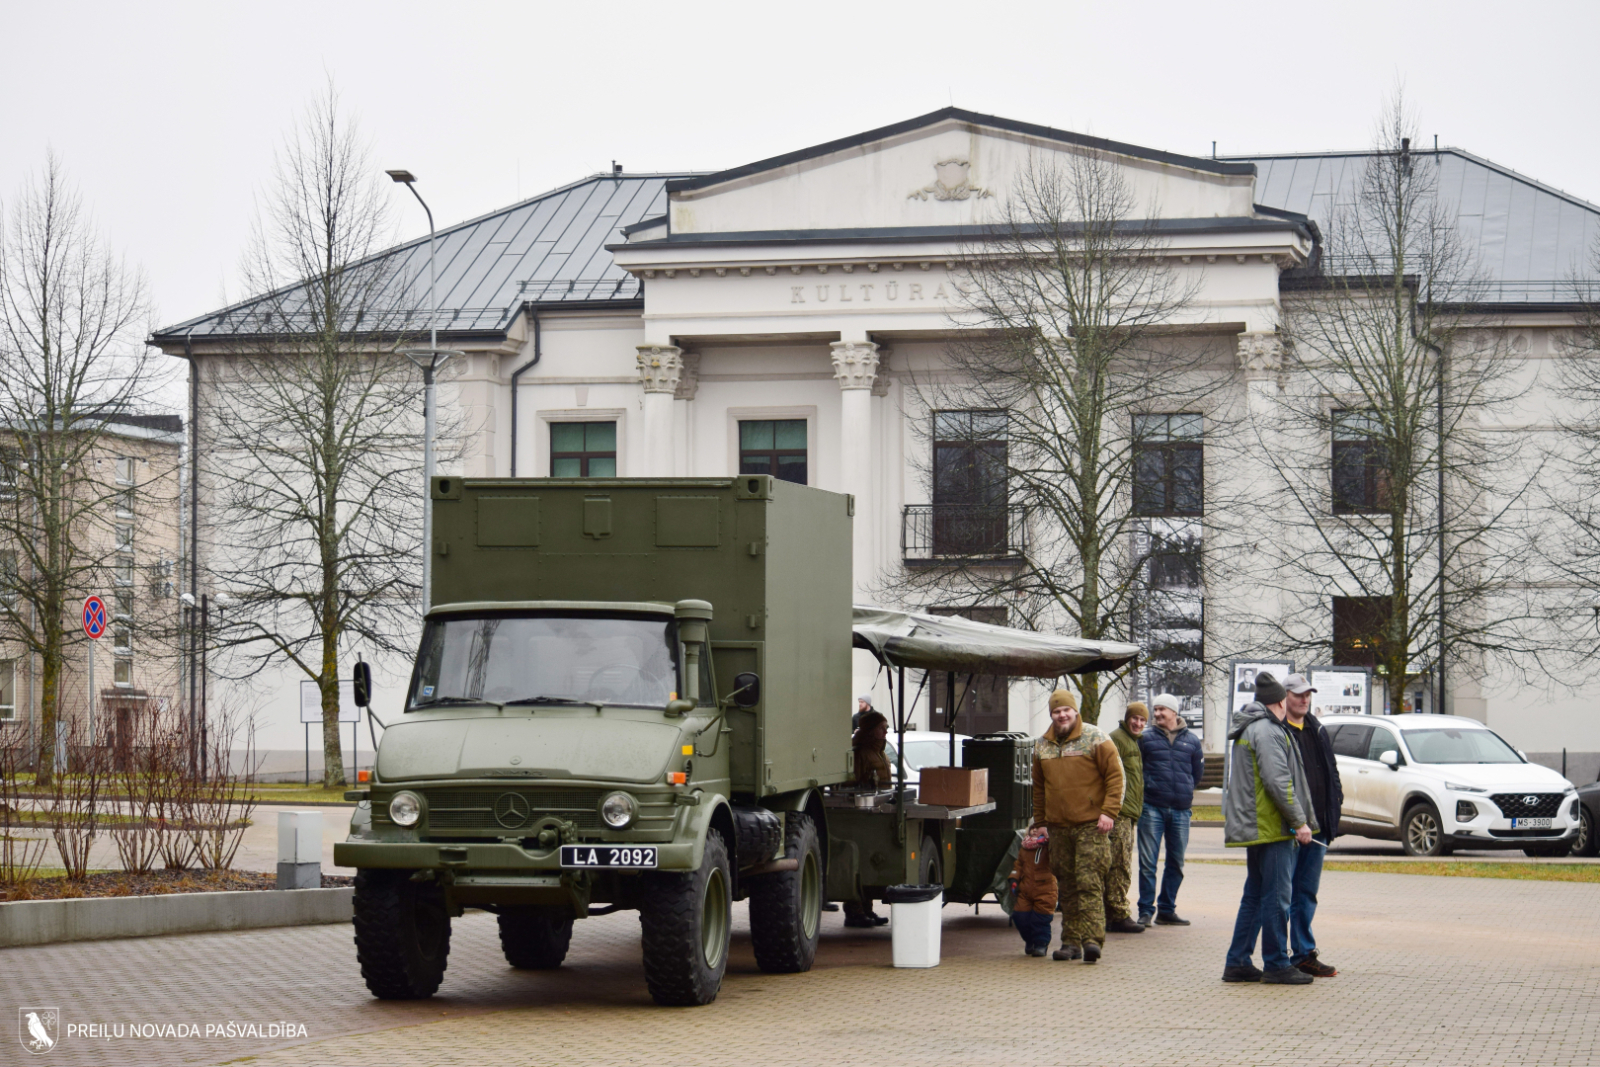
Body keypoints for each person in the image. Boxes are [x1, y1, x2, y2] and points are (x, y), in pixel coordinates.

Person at [1222, 671, 1318, 985]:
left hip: (1259, 826)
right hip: (1271, 827)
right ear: (1279, 702)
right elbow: (1278, 782)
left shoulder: (1252, 728)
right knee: (1277, 897)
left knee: (1255, 895)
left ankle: (1237, 961)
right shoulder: (1267, 730)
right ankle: (1276, 963)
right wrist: (1299, 821)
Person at [1031, 688, 1125, 964]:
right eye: (1056, 711)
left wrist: (1109, 812)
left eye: (1066, 710)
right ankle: (1070, 943)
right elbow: (1038, 789)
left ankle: (1092, 940)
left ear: (1075, 712)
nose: (1061, 715)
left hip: (1091, 826)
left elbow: (1115, 777)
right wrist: (1041, 823)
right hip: (1059, 828)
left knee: (1089, 882)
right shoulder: (1041, 746)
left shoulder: (1096, 738)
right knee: (1067, 886)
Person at [1283, 673, 1343, 978]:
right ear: (1285, 697)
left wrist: (1336, 806)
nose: (1304, 699)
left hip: (1317, 827)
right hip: (1291, 830)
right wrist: (1295, 822)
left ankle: (1304, 953)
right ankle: (1279, 957)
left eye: (1308, 694)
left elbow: (1331, 771)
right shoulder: (1279, 731)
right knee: (1282, 894)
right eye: (1298, 694)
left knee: (1306, 893)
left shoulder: (1316, 729)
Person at [1137, 692, 1205, 927]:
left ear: (1174, 712)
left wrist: (1184, 791)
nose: (1156, 714)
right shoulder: (1145, 739)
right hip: (1151, 808)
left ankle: (1166, 909)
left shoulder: (1192, 741)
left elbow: (1196, 774)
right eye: (1154, 710)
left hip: (1180, 811)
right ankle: (1145, 911)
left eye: (1161, 710)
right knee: (1148, 863)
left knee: (1176, 862)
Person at [845, 710, 892, 927]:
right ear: (872, 730)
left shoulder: (880, 751)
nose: (886, 731)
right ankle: (854, 911)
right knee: (859, 862)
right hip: (861, 813)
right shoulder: (861, 752)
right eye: (883, 727)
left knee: (870, 861)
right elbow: (852, 781)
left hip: (876, 810)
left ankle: (867, 909)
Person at [1104, 702, 1147, 935]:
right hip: (1119, 813)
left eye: (1142, 720)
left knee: (1120, 863)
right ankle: (1118, 913)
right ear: (1127, 718)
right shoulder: (1117, 739)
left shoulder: (1133, 741)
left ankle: (1112, 913)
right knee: (1119, 865)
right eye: (1135, 718)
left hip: (1129, 813)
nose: (1138, 723)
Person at [1008, 826, 1058, 956]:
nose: (1035, 830)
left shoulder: (1050, 847)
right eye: (1032, 828)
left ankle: (1041, 944)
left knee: (1040, 919)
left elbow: (1057, 859)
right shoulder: (1025, 847)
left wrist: (1049, 841)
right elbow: (1018, 865)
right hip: (1026, 890)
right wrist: (1014, 879)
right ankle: (1029, 941)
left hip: (1046, 890)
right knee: (1020, 917)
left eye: (1038, 828)